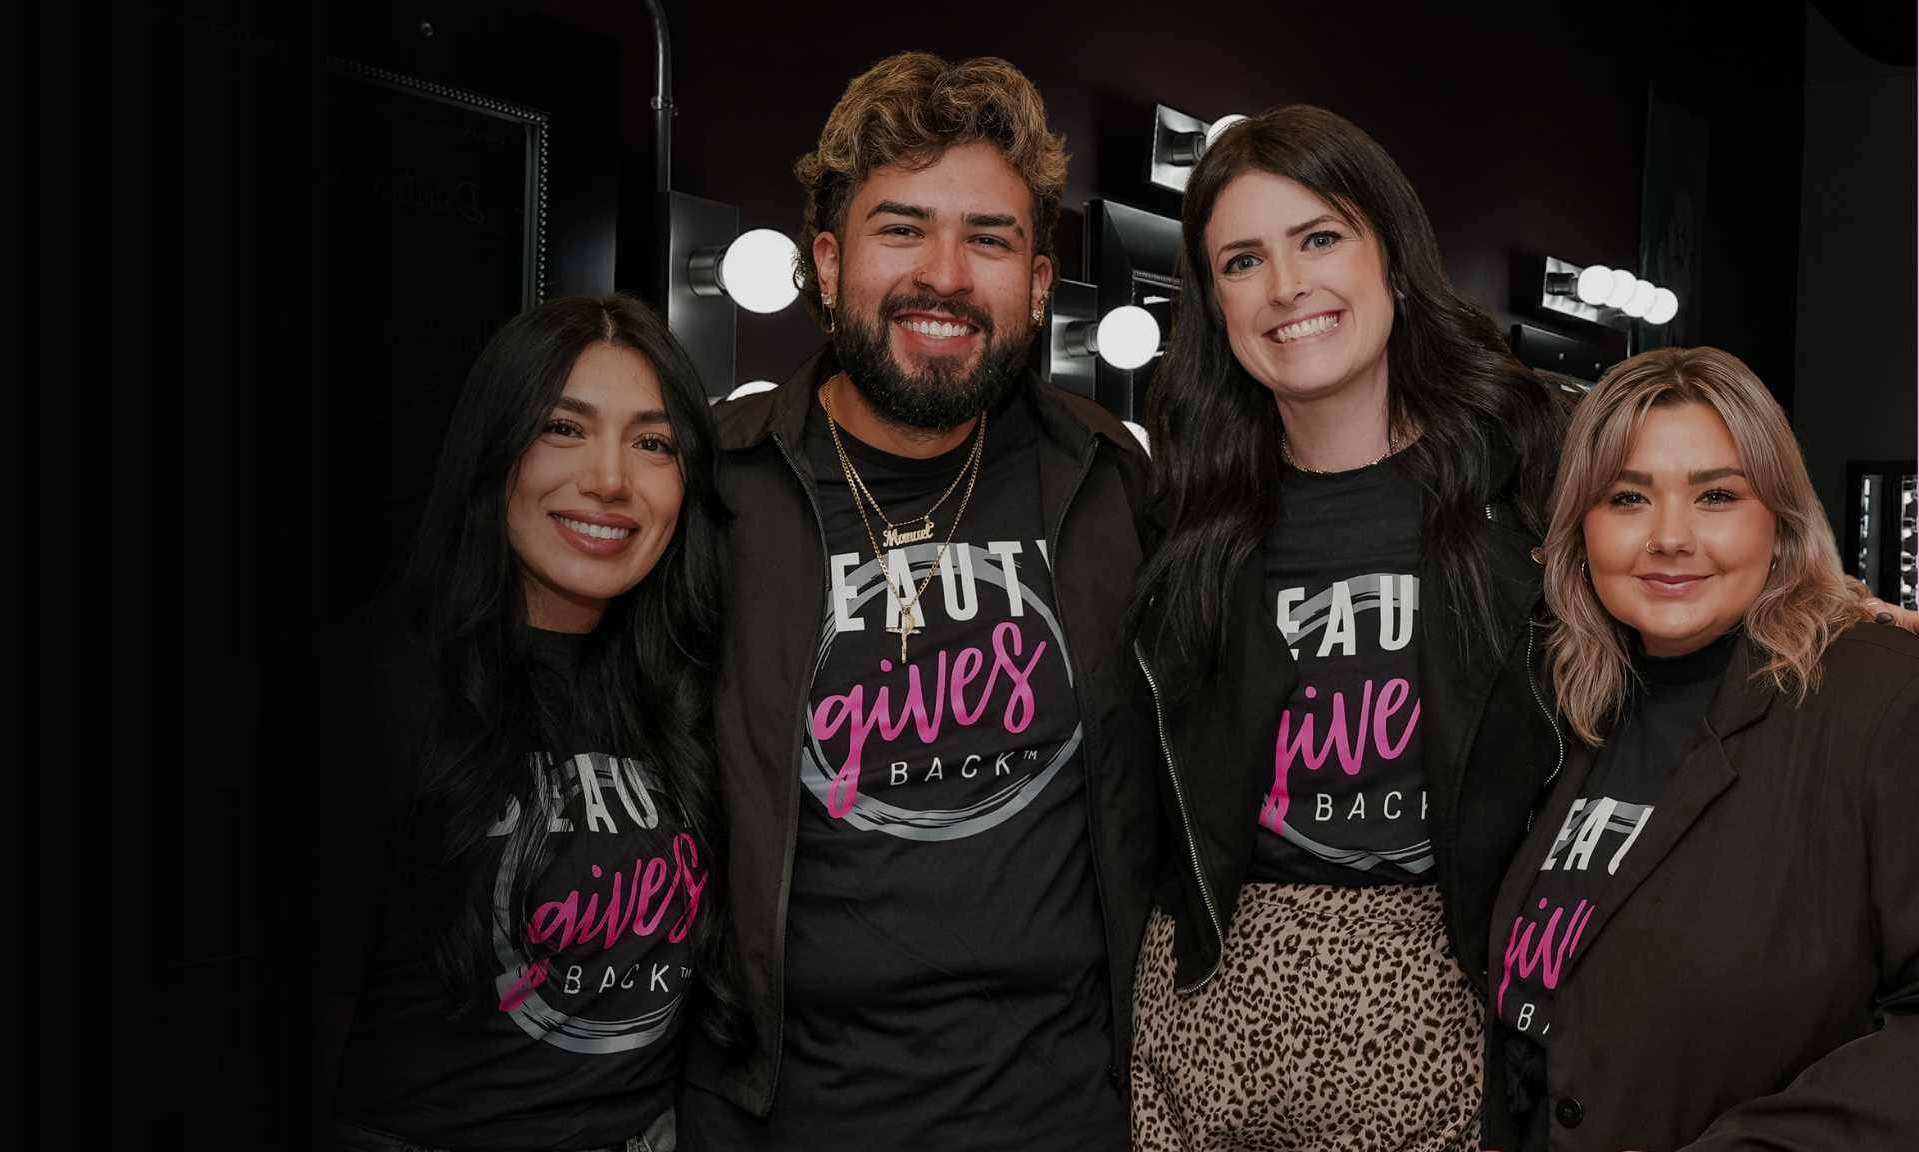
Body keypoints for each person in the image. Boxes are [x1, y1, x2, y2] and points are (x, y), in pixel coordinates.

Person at [676, 53, 1158, 1150]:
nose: (943, 275)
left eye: (987, 239)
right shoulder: (715, 490)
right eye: (901, 229)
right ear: (829, 261)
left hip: (1075, 1114)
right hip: (779, 1117)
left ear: (1037, 282)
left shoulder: (1115, 485)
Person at [1127, 105, 1569, 1150]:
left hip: (1441, 993)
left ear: (1393, 257)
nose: (1285, 287)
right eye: (1242, 260)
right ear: (1215, 302)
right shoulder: (1181, 510)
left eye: (1319, 237)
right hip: (1207, 1005)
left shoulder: (1527, 476)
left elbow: (1682, 600)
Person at [316, 294, 740, 1152]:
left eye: (653, 443)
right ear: (494, 449)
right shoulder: (374, 688)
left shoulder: (691, 689)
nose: (611, 480)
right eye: (563, 428)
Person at [1483, 346, 1919, 1151]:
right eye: (1627, 498)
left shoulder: (1884, 699)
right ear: (1582, 526)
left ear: (1780, 518)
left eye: (1716, 495)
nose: (1670, 538)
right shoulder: (1576, 696)